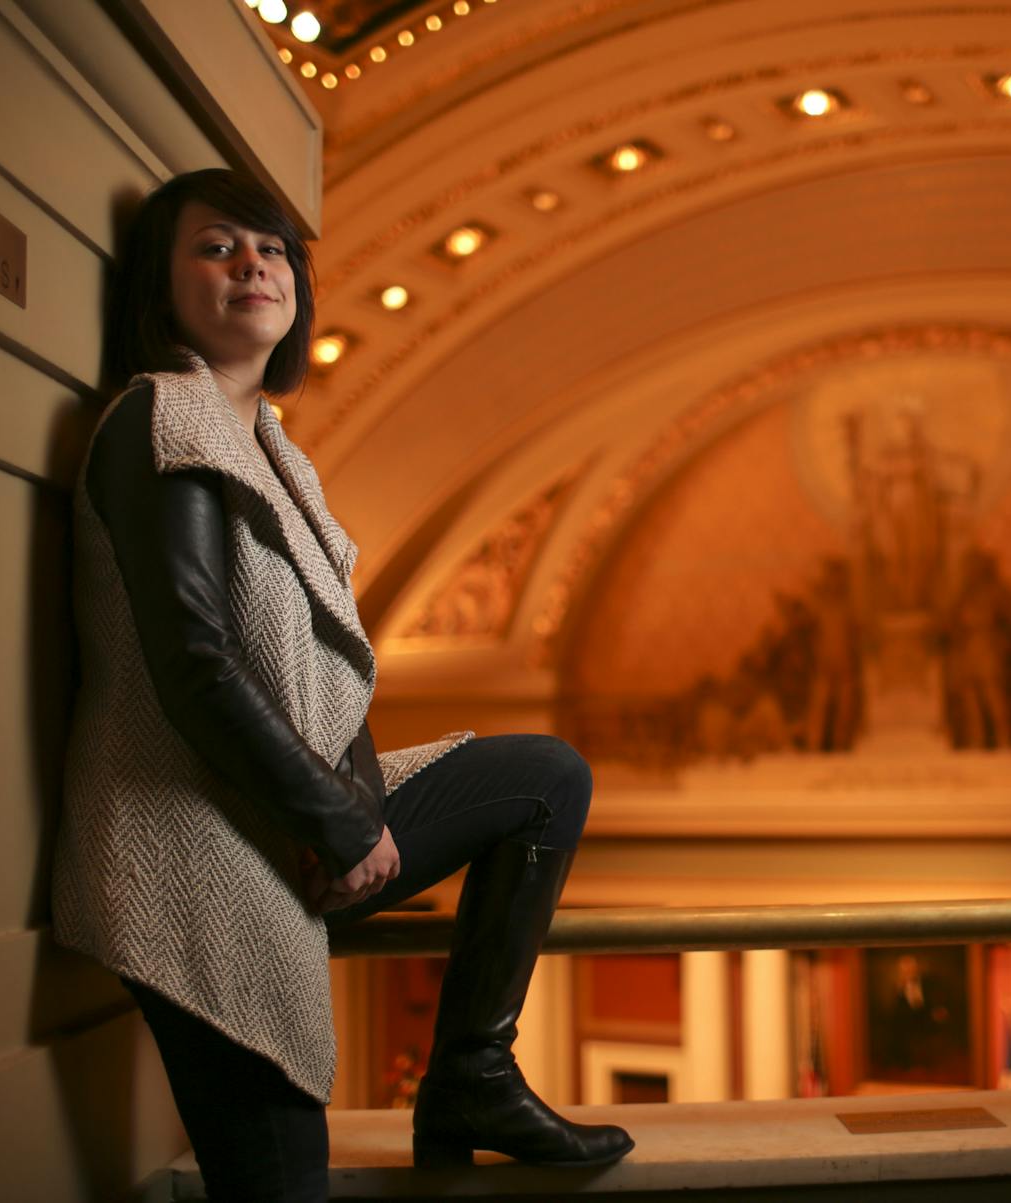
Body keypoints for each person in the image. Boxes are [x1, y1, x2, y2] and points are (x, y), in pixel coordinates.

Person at [50, 168, 633, 1202]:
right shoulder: (160, 419)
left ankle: (471, 1075)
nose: (252, 265)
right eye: (216, 246)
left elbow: (329, 666)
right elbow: (194, 664)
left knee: (545, 777)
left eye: (271, 249)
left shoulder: (274, 448)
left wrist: (350, 808)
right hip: (190, 837)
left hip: (289, 804)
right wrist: (344, 827)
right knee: (282, 1182)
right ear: (161, 284)